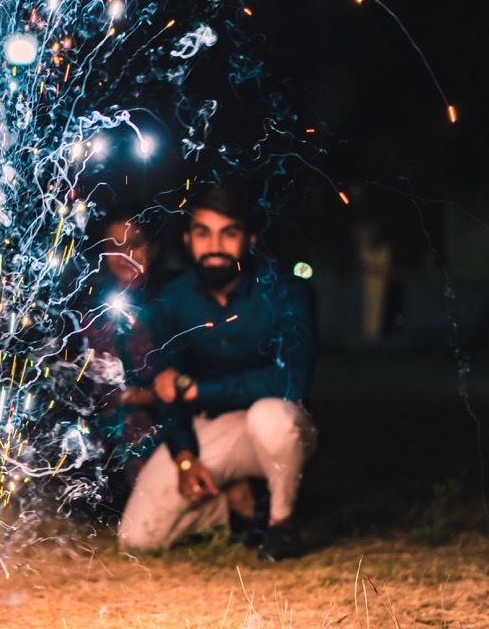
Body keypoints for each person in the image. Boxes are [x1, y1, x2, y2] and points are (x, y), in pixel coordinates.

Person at [117, 185, 318, 561]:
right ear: (189, 239)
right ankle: (234, 505)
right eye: (203, 233)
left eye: (229, 233)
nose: (215, 246)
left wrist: (196, 389)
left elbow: (288, 383)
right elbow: (167, 388)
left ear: (250, 239)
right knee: (137, 538)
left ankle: (281, 524)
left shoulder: (285, 291)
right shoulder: (173, 301)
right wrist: (185, 457)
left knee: (271, 418)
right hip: (215, 430)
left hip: (282, 427)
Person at [73, 214, 161, 517]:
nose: (125, 256)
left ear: (153, 248)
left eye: (134, 245)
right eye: (114, 246)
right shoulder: (93, 312)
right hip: (109, 419)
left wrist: (151, 396)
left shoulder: (168, 307)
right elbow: (90, 384)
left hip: (165, 418)